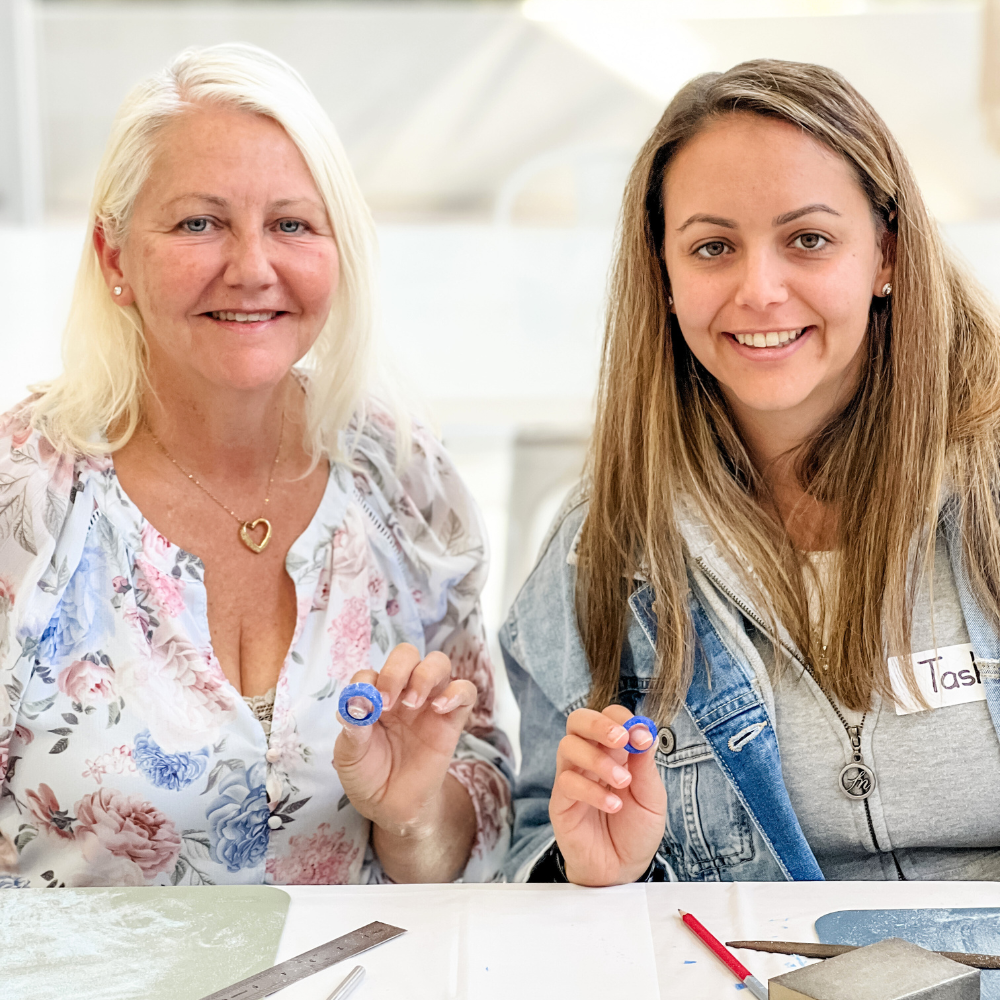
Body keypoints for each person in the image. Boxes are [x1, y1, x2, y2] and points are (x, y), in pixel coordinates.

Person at [0, 43, 511, 888]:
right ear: (115, 256)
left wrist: (412, 810)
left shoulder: (402, 475)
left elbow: (483, 794)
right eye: (199, 222)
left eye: (291, 224)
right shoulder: (24, 493)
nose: (251, 268)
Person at [502, 58, 1000, 885]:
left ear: (887, 255)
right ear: (662, 275)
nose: (760, 290)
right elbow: (528, 837)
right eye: (713, 247)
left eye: (808, 239)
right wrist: (586, 870)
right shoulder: (605, 545)